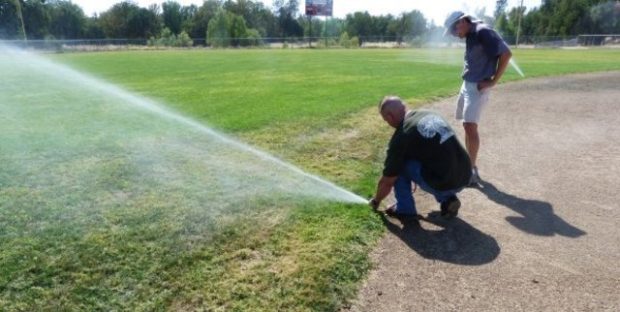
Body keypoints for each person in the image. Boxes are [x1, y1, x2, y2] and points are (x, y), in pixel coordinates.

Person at [368, 96, 472, 219]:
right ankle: (448, 199)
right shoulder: (428, 113)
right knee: (424, 159)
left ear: (390, 117)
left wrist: (376, 201)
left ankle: (405, 210)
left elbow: (387, 181)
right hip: (466, 174)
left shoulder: (402, 135)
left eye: (386, 120)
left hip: (447, 182)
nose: (388, 123)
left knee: (398, 167)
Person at [444, 11, 512, 186]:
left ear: (462, 22)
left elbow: (506, 54)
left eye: (453, 29)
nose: (453, 34)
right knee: (467, 125)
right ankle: (469, 166)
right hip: (467, 83)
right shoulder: (471, 33)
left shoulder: (483, 31)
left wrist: (493, 81)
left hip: (478, 87)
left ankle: (471, 172)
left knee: (471, 127)